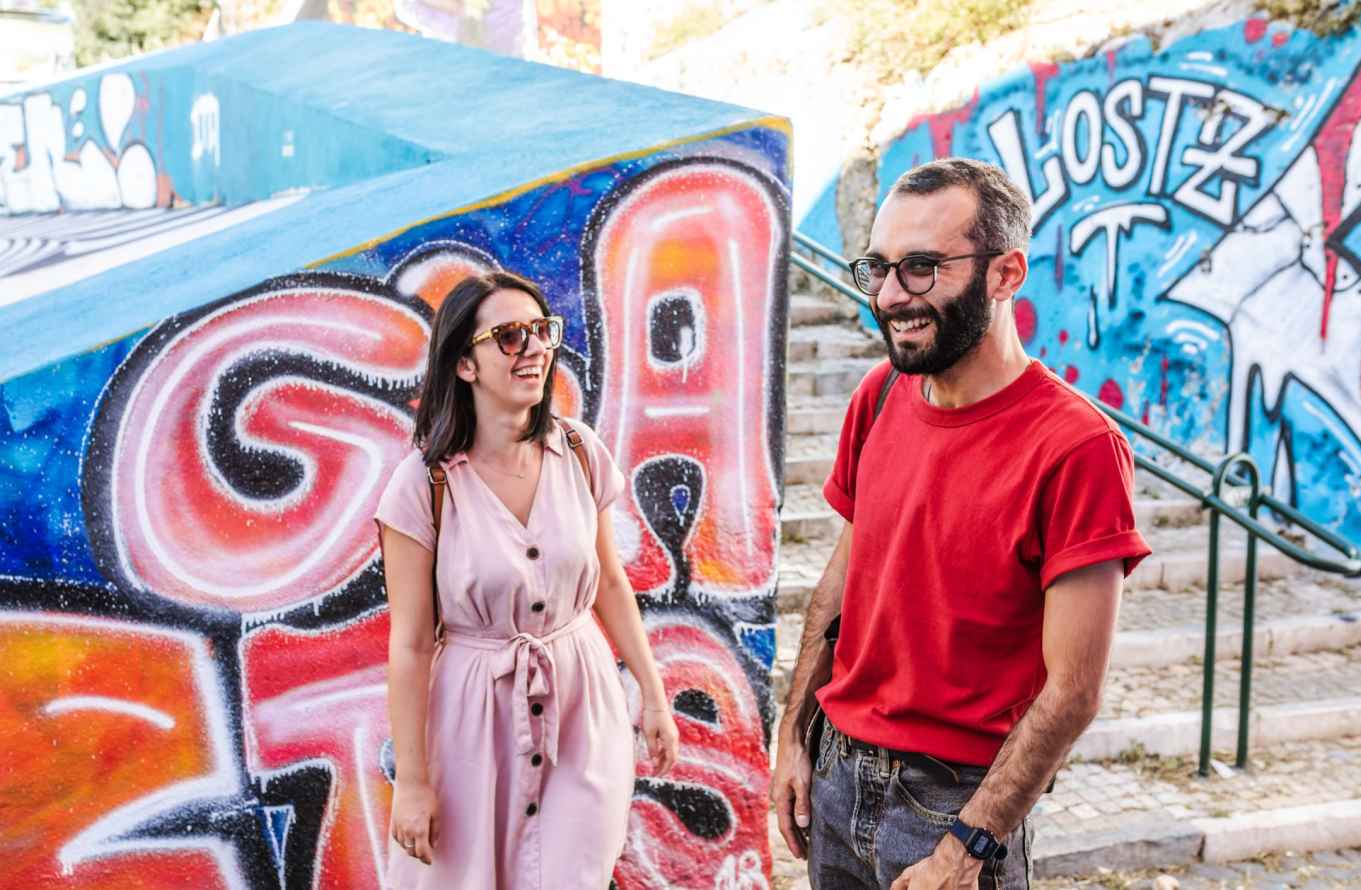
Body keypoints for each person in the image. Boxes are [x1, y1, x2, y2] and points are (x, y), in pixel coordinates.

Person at [770, 158, 1151, 890]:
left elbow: (1073, 690)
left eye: (921, 268)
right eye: (879, 268)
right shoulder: (881, 394)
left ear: (1006, 274)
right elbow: (841, 586)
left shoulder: (1077, 447)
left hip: (953, 805)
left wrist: (966, 847)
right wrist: (793, 735)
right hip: (837, 776)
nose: (889, 296)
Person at [376, 270, 679, 889]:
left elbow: (610, 584)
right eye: (511, 336)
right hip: (471, 719)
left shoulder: (581, 453)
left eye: (542, 331)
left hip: (581, 707)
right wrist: (412, 781)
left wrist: (653, 694)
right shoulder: (422, 486)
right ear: (465, 364)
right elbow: (409, 644)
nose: (536, 348)